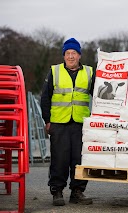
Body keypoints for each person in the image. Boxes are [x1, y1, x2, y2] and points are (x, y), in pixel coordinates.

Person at [40, 37, 94, 206]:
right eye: (68, 53)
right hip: (59, 123)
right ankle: (57, 192)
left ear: (80, 55)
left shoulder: (89, 72)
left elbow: (100, 96)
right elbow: (45, 98)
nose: (71, 56)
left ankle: (77, 192)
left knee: (79, 159)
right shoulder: (54, 71)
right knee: (59, 159)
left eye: (74, 53)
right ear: (64, 56)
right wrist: (47, 120)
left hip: (80, 123)